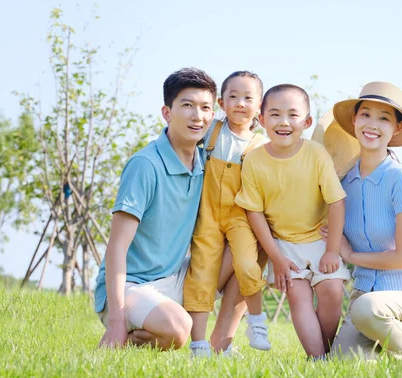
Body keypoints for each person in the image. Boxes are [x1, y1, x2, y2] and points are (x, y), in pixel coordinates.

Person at [95, 67, 240, 351]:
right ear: (167, 112)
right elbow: (116, 247)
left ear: (213, 116)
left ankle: (221, 346)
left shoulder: (205, 164)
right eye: (187, 105)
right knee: (177, 329)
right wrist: (115, 319)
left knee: (246, 251)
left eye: (205, 108)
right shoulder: (145, 165)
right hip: (132, 286)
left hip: (176, 277)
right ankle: (123, 328)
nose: (197, 116)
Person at [317, 81, 402, 363]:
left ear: (396, 128)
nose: (372, 125)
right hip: (364, 297)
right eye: (366, 115)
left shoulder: (399, 177)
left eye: (384, 118)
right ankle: (385, 346)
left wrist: (349, 255)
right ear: (354, 119)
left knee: (366, 309)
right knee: (343, 365)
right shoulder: (342, 183)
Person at [235, 84, 351, 358]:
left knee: (333, 292)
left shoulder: (315, 154)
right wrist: (275, 256)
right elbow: (255, 212)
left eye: (292, 115)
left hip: (322, 238)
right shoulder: (254, 161)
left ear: (307, 122)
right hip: (284, 244)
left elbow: (336, 201)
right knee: (298, 297)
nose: (283, 122)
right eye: (274, 114)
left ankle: (325, 350)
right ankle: (318, 359)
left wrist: (333, 250)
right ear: (261, 120)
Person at [183, 71, 271, 357]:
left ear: (259, 106)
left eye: (248, 98)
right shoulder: (212, 131)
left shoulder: (260, 145)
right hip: (207, 214)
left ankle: (253, 323)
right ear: (221, 102)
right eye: (233, 97)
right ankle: (198, 345)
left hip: (239, 217)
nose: (240, 103)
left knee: (248, 265)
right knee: (202, 273)